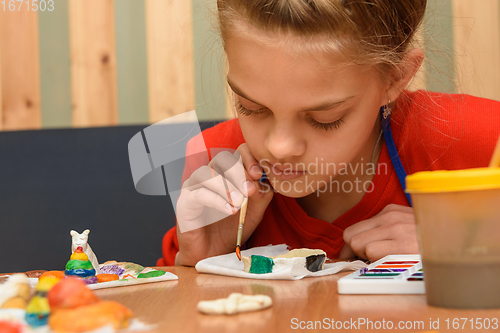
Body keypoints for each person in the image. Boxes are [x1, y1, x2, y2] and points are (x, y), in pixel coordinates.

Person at [156, 0, 500, 267]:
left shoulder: (480, 139)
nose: (280, 146)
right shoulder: (216, 160)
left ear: (396, 78)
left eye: (325, 118)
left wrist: (463, 246)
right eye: (251, 107)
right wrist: (201, 262)